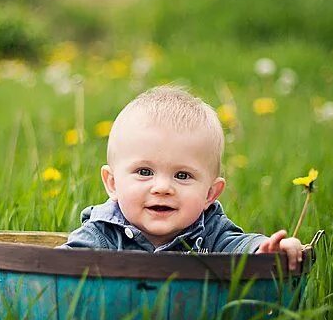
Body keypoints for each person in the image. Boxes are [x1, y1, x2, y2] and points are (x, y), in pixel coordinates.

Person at [60, 85, 304, 270]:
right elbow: (55, 271)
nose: (163, 187)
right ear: (112, 183)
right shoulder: (101, 233)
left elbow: (240, 246)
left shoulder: (211, 232)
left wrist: (265, 250)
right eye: (145, 172)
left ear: (210, 193)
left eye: (182, 175)